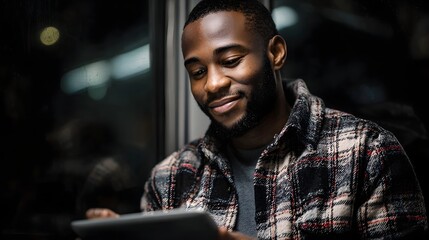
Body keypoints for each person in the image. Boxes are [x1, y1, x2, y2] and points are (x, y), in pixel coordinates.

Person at [87, 0, 428, 239]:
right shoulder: (170, 179)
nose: (213, 84)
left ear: (275, 53)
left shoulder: (366, 153)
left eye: (231, 60)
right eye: (198, 71)